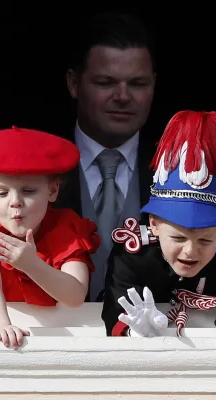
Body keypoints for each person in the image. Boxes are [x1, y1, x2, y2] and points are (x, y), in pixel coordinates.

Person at [101, 110, 216, 337]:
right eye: (178, 238)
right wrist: (134, 333)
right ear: (154, 225)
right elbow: (117, 307)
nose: (190, 251)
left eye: (205, 240)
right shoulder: (132, 255)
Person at [0, 126, 101, 349]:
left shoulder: (66, 228)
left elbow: (75, 295)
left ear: (53, 190)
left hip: (63, 338)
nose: (15, 202)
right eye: (2, 193)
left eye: (28, 191)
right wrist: (2, 326)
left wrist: (31, 264)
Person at [56, 11, 158, 302]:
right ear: (73, 84)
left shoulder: (180, 167)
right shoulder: (35, 165)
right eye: (105, 83)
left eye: (138, 84)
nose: (123, 96)